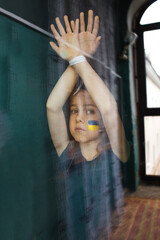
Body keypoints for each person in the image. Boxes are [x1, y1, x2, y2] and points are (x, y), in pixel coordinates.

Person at [47, 10, 129, 240]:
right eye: (74, 111)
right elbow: (53, 107)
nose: (80, 118)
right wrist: (75, 59)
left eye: (89, 111)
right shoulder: (68, 154)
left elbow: (110, 110)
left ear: (103, 124)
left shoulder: (113, 152)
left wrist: (79, 59)